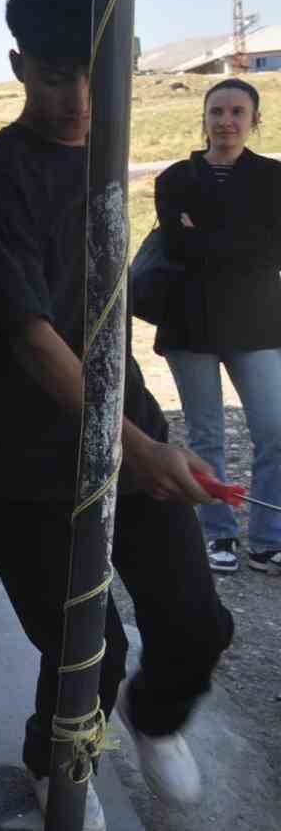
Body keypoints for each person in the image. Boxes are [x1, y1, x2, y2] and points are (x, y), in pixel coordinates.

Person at [0, 0, 233, 828]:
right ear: (18, 67)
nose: (78, 99)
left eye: (96, 74)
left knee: (196, 623)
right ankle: (55, 767)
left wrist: (143, 438)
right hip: (21, 443)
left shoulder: (111, 164)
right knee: (85, 649)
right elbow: (35, 338)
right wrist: (137, 450)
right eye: (56, 75)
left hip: (125, 410)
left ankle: (152, 723)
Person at [152, 78, 281, 574]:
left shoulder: (273, 177)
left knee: (273, 432)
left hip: (258, 324)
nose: (226, 120)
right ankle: (219, 534)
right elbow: (177, 248)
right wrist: (234, 241)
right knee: (207, 437)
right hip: (191, 326)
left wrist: (205, 237)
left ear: (254, 120)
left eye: (237, 111)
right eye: (217, 111)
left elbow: (271, 250)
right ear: (203, 118)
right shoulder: (174, 179)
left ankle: (267, 539)